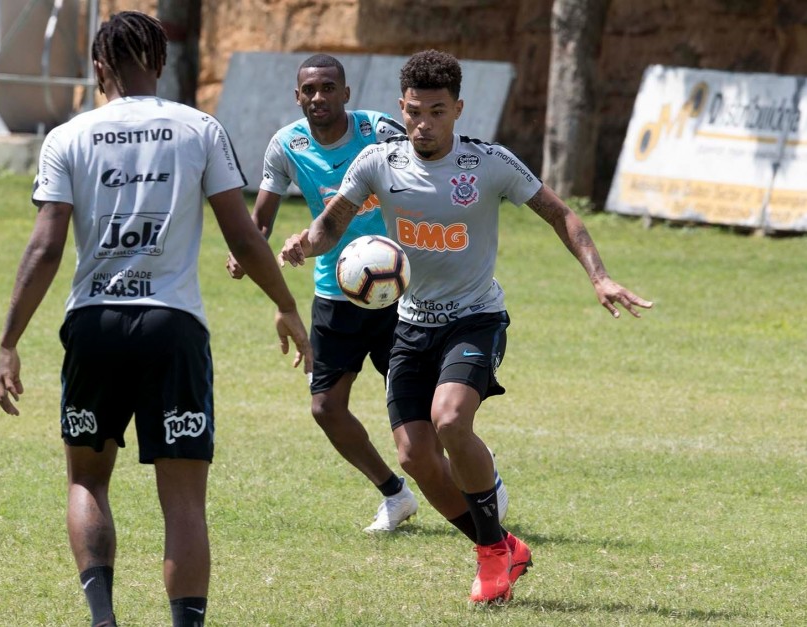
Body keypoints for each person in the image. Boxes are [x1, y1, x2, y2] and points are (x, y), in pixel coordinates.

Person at [279, 49, 652, 605]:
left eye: (435, 111)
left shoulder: (489, 162)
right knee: (414, 457)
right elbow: (333, 221)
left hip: (475, 317)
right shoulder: (378, 162)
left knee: (450, 420)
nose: (423, 124)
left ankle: (489, 554)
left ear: (457, 109)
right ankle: (499, 547)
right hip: (409, 322)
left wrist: (599, 277)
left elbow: (561, 213)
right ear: (401, 110)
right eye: (412, 112)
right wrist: (305, 243)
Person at [0, 12, 312, 627]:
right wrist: (286, 303)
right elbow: (243, 237)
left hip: (94, 322)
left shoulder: (69, 136)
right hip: (173, 327)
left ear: (98, 68)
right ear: (162, 64)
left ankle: (102, 619)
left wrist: (10, 340)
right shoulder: (199, 129)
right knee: (184, 500)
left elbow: (45, 248)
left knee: (87, 480)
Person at [227, 54, 509, 532]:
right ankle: (395, 493)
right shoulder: (286, 144)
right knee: (325, 406)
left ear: (346, 93)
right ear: (298, 96)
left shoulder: (380, 132)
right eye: (309, 90)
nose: (319, 97)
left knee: (424, 415)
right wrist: (251, 252)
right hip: (336, 288)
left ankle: (475, 495)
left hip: (399, 288)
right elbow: (262, 218)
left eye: (328, 88)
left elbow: (424, 173)